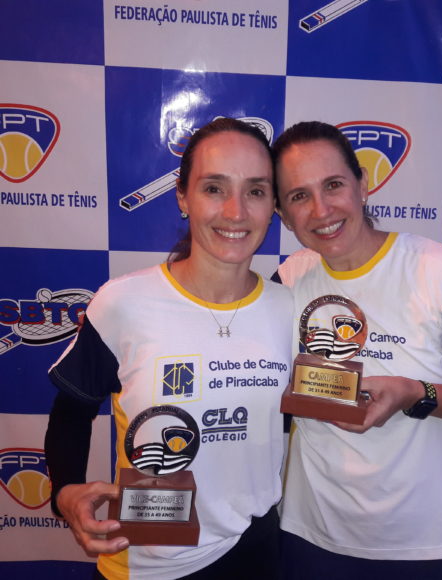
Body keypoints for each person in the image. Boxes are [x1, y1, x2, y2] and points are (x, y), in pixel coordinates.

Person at [271, 121, 442, 580]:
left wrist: (415, 393)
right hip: (312, 535)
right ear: (283, 215)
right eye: (299, 196)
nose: (321, 209)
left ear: (362, 185)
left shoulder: (440, 273)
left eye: (333, 185)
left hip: (430, 543)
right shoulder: (288, 279)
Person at [44, 117, 293, 579]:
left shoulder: (289, 307)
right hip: (149, 563)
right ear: (182, 197)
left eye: (256, 191)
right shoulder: (123, 303)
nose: (236, 211)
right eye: (214, 188)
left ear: (272, 204)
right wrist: (65, 492)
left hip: (258, 550)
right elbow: (72, 411)